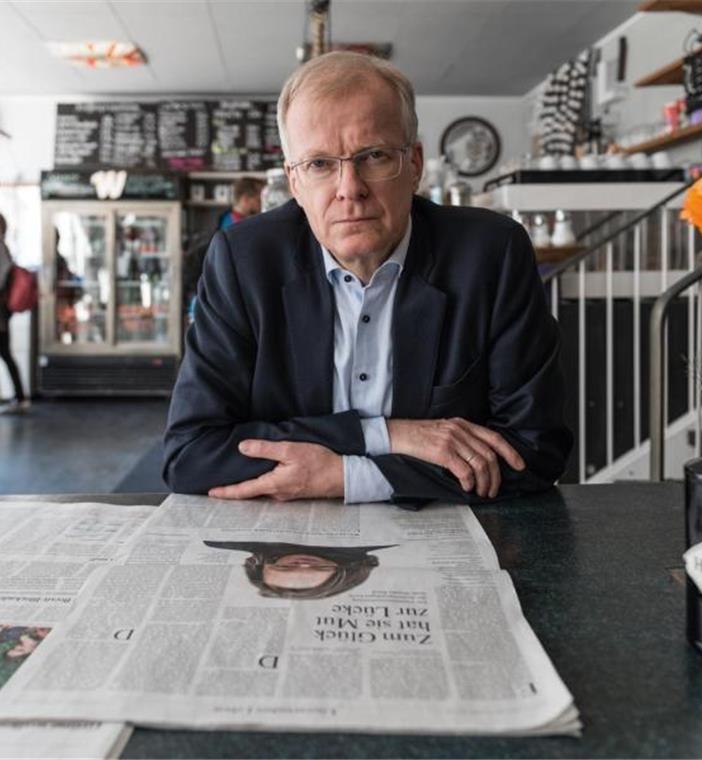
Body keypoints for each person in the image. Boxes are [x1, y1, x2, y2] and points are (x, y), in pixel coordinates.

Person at [163, 52, 572, 506]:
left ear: (414, 163)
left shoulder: (491, 255)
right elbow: (191, 454)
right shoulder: (244, 262)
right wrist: (385, 435)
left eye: (374, 156)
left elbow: (535, 453)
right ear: (293, 182)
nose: (349, 188)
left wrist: (346, 476)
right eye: (319, 164)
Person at [203, 541, 395, 599]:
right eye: (320, 567)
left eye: (285, 567)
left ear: (262, 564)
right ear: (342, 569)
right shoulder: (380, 543)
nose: (303, 563)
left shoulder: (222, 542)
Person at [0, 213, 29, 414]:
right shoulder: (2, 248)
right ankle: (17, 396)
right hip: (1, 313)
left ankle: (18, 396)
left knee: (1, 354)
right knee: (3, 354)